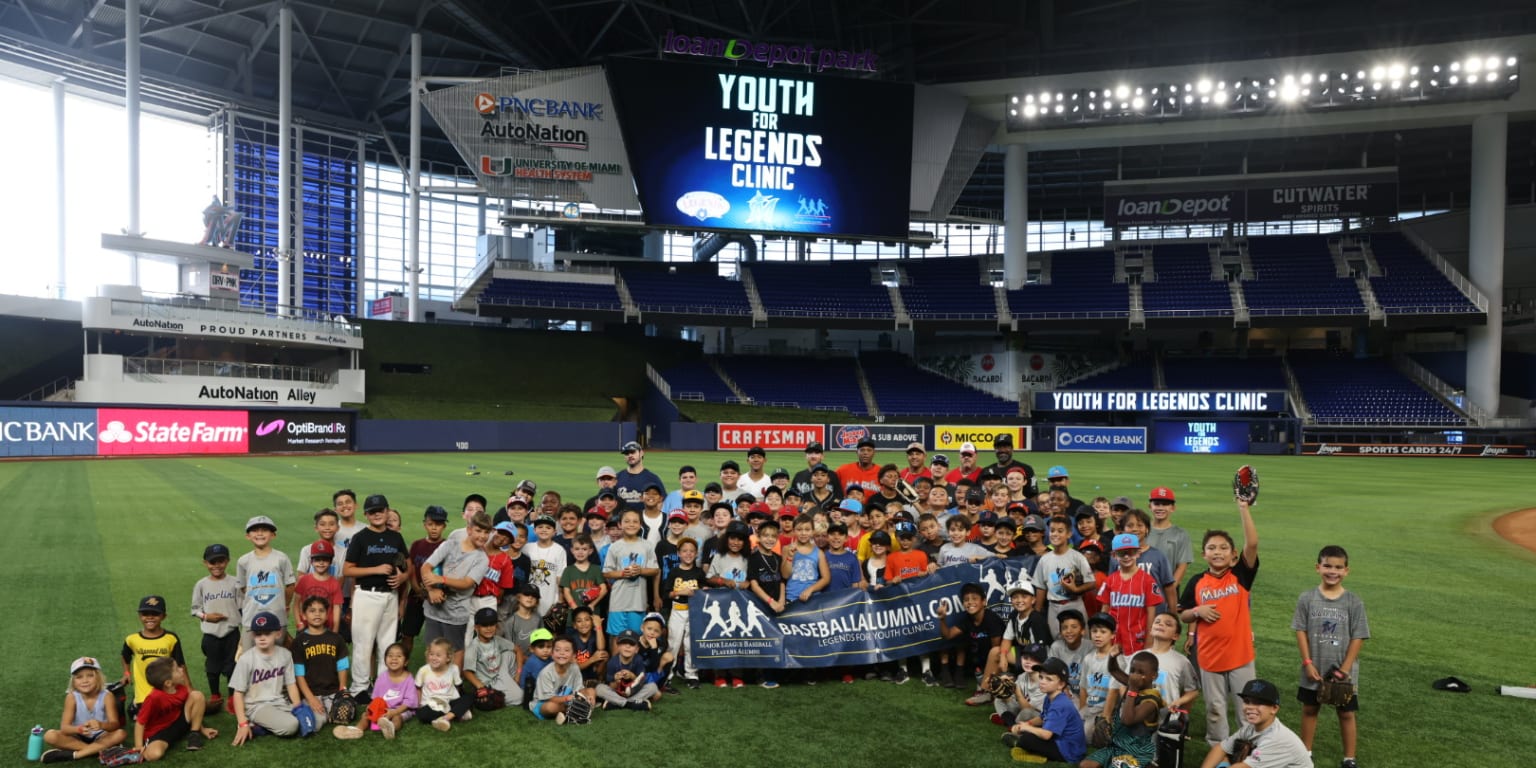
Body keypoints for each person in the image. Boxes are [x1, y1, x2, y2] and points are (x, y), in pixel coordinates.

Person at [1179, 497, 1260, 746]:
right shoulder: (1197, 582)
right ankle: (1219, 751)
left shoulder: (1240, 576)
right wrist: (1197, 611)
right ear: (1204, 554)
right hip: (1209, 657)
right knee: (1215, 708)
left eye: (1224, 548)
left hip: (1240, 655)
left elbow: (1253, 542)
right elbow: (1182, 613)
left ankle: (1247, 751)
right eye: (1212, 548)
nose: (1218, 552)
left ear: (1234, 555)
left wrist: (1243, 508)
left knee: (1247, 707)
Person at [1293, 545, 1369, 768]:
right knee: (1309, 709)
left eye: (1338, 567)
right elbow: (1300, 630)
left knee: (1346, 713)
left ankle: (1349, 759)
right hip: (1314, 667)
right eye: (1327, 566)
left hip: (1344, 671)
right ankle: (1305, 754)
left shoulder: (1353, 601)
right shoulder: (1307, 598)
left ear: (1346, 571)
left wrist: (1344, 669)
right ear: (1318, 567)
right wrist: (1307, 662)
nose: (1332, 571)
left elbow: (1359, 636)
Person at [344, 494, 410, 698]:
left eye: (380, 510)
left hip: (390, 596)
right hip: (367, 595)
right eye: (372, 512)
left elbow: (407, 564)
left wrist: (403, 576)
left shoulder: (395, 537)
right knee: (363, 644)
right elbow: (348, 570)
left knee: (387, 644)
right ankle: (360, 687)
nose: (377, 514)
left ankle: (383, 686)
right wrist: (376, 569)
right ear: (366, 514)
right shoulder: (360, 537)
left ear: (387, 511)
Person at [420, 512, 492, 668]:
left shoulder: (482, 558)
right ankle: (431, 686)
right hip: (434, 608)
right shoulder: (450, 544)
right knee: (432, 649)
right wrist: (431, 590)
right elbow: (426, 567)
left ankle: (453, 688)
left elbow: (466, 583)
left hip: (456, 612)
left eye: (486, 532)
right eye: (479, 531)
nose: (482, 536)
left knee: (455, 650)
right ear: (469, 530)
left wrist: (441, 579)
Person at [1200, 679, 1314, 768]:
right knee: (1224, 757)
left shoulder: (1276, 739)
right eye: (1247, 701)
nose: (1250, 707)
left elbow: (1244, 767)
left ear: (1274, 709)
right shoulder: (1251, 728)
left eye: (1258, 703)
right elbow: (1221, 748)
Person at [1082, 652, 1165, 768]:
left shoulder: (1151, 701)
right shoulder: (1134, 684)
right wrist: (1112, 656)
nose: (1135, 676)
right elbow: (1114, 670)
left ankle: (1147, 765)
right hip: (1117, 746)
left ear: (1154, 676)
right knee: (1086, 765)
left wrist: (1132, 689)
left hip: (1137, 751)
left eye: (1141, 672)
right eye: (1132, 670)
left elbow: (1127, 720)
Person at [229, 612, 301, 746]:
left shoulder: (285, 655)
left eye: (267, 633)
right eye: (258, 633)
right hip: (256, 706)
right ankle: (254, 726)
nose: (262, 637)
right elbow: (238, 694)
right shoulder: (246, 659)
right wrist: (242, 723)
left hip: (280, 702)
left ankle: (261, 727)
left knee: (317, 719)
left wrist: (298, 708)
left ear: (278, 634)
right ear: (252, 635)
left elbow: (291, 685)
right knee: (292, 725)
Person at [40, 657, 128, 763]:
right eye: (79, 677)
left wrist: (101, 725)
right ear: (73, 681)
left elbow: (115, 724)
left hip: (101, 735)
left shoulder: (107, 696)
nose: (85, 680)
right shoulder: (71, 697)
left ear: (98, 678)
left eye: (90, 676)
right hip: (78, 736)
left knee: (121, 734)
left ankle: (75, 755)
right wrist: (79, 729)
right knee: (50, 736)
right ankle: (97, 751)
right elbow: (65, 728)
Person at [1002, 657, 1086, 764]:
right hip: (1062, 742)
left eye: (1049, 679)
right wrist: (1028, 723)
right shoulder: (1049, 696)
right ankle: (1023, 743)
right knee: (1029, 733)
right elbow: (1042, 718)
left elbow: (1046, 735)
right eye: (1041, 677)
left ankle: (1023, 746)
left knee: (1027, 739)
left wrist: (1027, 728)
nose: (1042, 682)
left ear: (1061, 684)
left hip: (1069, 752)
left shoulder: (1061, 704)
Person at [133, 658, 216, 760]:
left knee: (197, 695)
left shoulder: (181, 688)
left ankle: (194, 734)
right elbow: (140, 723)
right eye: (177, 669)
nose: (181, 669)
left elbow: (191, 708)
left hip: (178, 723)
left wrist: (202, 729)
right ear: (168, 683)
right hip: (158, 733)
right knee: (155, 754)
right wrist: (138, 746)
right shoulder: (153, 698)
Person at [936, 583, 1004, 704]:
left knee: (995, 654)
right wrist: (942, 619)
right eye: (966, 600)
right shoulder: (967, 619)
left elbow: (996, 649)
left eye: (974, 599)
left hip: (1001, 660)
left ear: (984, 602)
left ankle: (986, 691)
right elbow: (948, 635)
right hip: (980, 663)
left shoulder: (992, 620)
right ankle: (986, 686)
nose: (970, 602)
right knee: (977, 669)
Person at [190, 544, 239, 711]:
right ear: (205, 563)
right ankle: (215, 694)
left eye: (221, 561)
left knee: (233, 666)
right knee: (212, 667)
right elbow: (194, 609)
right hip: (211, 634)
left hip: (232, 633)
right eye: (212, 562)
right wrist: (206, 617)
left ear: (227, 561)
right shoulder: (201, 584)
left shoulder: (235, 582)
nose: (217, 565)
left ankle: (233, 698)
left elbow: (242, 605)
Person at [235, 516, 295, 648]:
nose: (260, 533)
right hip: (251, 617)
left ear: (273, 535)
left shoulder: (281, 558)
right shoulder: (243, 561)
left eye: (264, 530)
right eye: (255, 530)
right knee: (250, 659)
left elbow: (290, 585)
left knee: (278, 658)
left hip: (277, 615)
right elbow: (242, 588)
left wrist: (283, 604)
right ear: (248, 536)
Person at [1098, 533, 1163, 654]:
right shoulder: (1110, 580)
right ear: (1114, 555)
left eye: (1131, 552)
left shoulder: (1147, 580)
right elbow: (1104, 612)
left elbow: (1151, 614)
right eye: (1122, 553)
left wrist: (1149, 642)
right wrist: (1102, 636)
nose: (1127, 556)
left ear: (1138, 553)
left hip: (1138, 639)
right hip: (1113, 638)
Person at [291, 597, 349, 730]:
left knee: (344, 715)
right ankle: (305, 710)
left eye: (321, 610)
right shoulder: (299, 641)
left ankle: (329, 711)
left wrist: (342, 690)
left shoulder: (336, 638)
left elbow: (342, 666)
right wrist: (311, 698)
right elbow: (299, 674)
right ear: (304, 615)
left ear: (327, 614)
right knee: (317, 723)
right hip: (312, 692)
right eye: (312, 611)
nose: (317, 614)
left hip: (333, 691)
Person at [706, 522, 752, 689]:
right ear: (727, 539)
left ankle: (737, 675)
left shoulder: (748, 558)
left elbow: (753, 580)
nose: (736, 542)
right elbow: (709, 578)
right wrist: (723, 581)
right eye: (733, 538)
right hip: (722, 603)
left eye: (740, 539)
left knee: (738, 639)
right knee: (721, 639)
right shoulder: (719, 557)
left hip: (741, 606)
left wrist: (748, 583)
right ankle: (719, 675)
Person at [122, 595, 188, 710]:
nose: (150, 617)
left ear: (164, 616)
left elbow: (180, 665)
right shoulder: (132, 639)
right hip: (144, 695)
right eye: (145, 614)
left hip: (167, 689)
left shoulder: (171, 638)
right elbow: (125, 656)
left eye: (155, 614)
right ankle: (135, 704)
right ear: (139, 616)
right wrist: (127, 673)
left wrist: (188, 688)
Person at [1034, 516, 1096, 634]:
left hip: (1074, 603)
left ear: (1069, 534)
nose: (1055, 534)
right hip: (1053, 606)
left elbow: (1091, 583)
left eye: (1060, 531)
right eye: (1052, 530)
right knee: (1056, 641)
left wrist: (1076, 589)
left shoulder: (1077, 557)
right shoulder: (1044, 559)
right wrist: (1037, 611)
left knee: (1080, 640)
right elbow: (1041, 586)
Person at [604, 509, 659, 639]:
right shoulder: (615, 547)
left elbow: (655, 570)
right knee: (617, 636)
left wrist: (640, 571)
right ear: (620, 525)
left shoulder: (647, 546)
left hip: (638, 602)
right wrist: (623, 573)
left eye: (635, 521)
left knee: (636, 636)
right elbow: (606, 572)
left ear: (640, 524)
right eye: (627, 521)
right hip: (618, 602)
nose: (631, 524)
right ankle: (616, 660)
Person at [661, 537, 706, 688]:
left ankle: (691, 674)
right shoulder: (675, 571)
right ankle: (667, 674)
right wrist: (681, 591)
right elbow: (667, 593)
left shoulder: (698, 572)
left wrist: (699, 591)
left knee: (690, 644)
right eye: (685, 551)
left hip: (693, 612)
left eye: (691, 551)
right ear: (679, 553)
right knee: (673, 643)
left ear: (696, 554)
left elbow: (704, 591)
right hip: (678, 610)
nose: (688, 554)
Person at [748, 518, 786, 689]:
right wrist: (770, 601)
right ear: (758, 536)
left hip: (777, 606)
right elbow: (754, 584)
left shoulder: (778, 558)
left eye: (773, 536)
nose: (770, 539)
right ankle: (760, 676)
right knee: (761, 640)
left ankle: (774, 673)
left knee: (775, 639)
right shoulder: (754, 557)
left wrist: (781, 601)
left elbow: (782, 581)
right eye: (766, 536)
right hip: (760, 605)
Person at [462, 607, 521, 711]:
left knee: (509, 654)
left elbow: (518, 650)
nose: (489, 628)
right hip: (488, 682)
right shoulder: (473, 647)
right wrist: (481, 687)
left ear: (496, 626)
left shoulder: (497, 640)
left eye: (492, 624)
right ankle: (493, 695)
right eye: (484, 625)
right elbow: (467, 672)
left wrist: (518, 673)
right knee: (520, 697)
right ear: (476, 627)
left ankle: (510, 685)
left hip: (499, 673)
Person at [530, 637, 596, 725]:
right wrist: (567, 699)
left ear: (573, 655)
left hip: (568, 701)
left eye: (566, 650)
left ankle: (578, 711)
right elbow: (550, 698)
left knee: (591, 691)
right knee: (551, 707)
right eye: (557, 650)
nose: (562, 653)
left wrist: (588, 697)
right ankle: (572, 713)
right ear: (552, 654)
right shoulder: (546, 673)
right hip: (545, 703)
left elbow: (579, 689)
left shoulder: (574, 668)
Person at [358, 643, 416, 740]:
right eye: (390, 656)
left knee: (397, 718)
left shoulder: (409, 679)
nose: (394, 658)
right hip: (383, 709)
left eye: (399, 656)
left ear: (406, 662)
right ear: (385, 660)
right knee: (365, 715)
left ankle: (391, 728)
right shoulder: (381, 678)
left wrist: (394, 712)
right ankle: (357, 729)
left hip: (401, 710)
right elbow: (376, 698)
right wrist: (371, 708)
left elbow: (409, 702)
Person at [415, 637, 470, 731]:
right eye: (431, 654)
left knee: (470, 697)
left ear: (448, 657)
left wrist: (460, 701)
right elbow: (418, 688)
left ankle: (446, 717)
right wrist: (419, 705)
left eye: (438, 655)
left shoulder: (454, 669)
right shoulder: (423, 670)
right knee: (423, 715)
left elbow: (458, 687)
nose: (433, 658)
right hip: (431, 703)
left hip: (449, 701)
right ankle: (455, 715)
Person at [596, 630, 657, 711]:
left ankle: (616, 704)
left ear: (637, 649)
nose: (627, 646)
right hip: (617, 692)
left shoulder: (638, 659)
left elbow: (642, 681)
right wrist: (616, 678)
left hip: (634, 692)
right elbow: (611, 685)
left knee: (653, 687)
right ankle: (631, 704)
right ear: (618, 647)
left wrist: (632, 676)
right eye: (624, 643)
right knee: (599, 688)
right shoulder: (613, 661)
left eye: (631, 644)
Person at [1146, 486, 1195, 588]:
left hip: (1168, 590)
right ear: (1150, 506)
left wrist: (1170, 592)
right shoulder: (1142, 531)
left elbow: (1181, 567)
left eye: (1165, 504)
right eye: (1156, 504)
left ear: (1173, 508)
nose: (1160, 508)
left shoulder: (1181, 534)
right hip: (1142, 589)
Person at [291, 540, 343, 633]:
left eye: (325, 560)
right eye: (317, 560)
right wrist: (299, 623)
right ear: (311, 561)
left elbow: (336, 608)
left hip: (326, 629)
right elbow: (296, 604)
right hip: (306, 628)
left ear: (330, 562)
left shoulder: (334, 583)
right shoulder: (303, 580)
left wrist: (335, 631)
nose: (321, 563)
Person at [526, 513, 569, 617]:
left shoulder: (559, 550)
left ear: (554, 532)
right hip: (529, 598)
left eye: (548, 527)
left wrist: (560, 600)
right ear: (534, 530)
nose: (544, 530)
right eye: (540, 527)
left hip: (551, 599)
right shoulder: (527, 548)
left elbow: (560, 577)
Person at [614, 441, 664, 512]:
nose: (630, 455)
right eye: (626, 453)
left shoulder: (652, 478)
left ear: (641, 453)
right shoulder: (617, 477)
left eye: (632, 452)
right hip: (623, 521)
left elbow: (662, 501)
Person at [982, 433, 1036, 497]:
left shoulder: (1026, 469)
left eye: (1006, 446)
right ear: (995, 449)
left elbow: (1033, 496)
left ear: (1012, 448)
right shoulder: (986, 471)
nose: (1002, 450)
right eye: (999, 447)